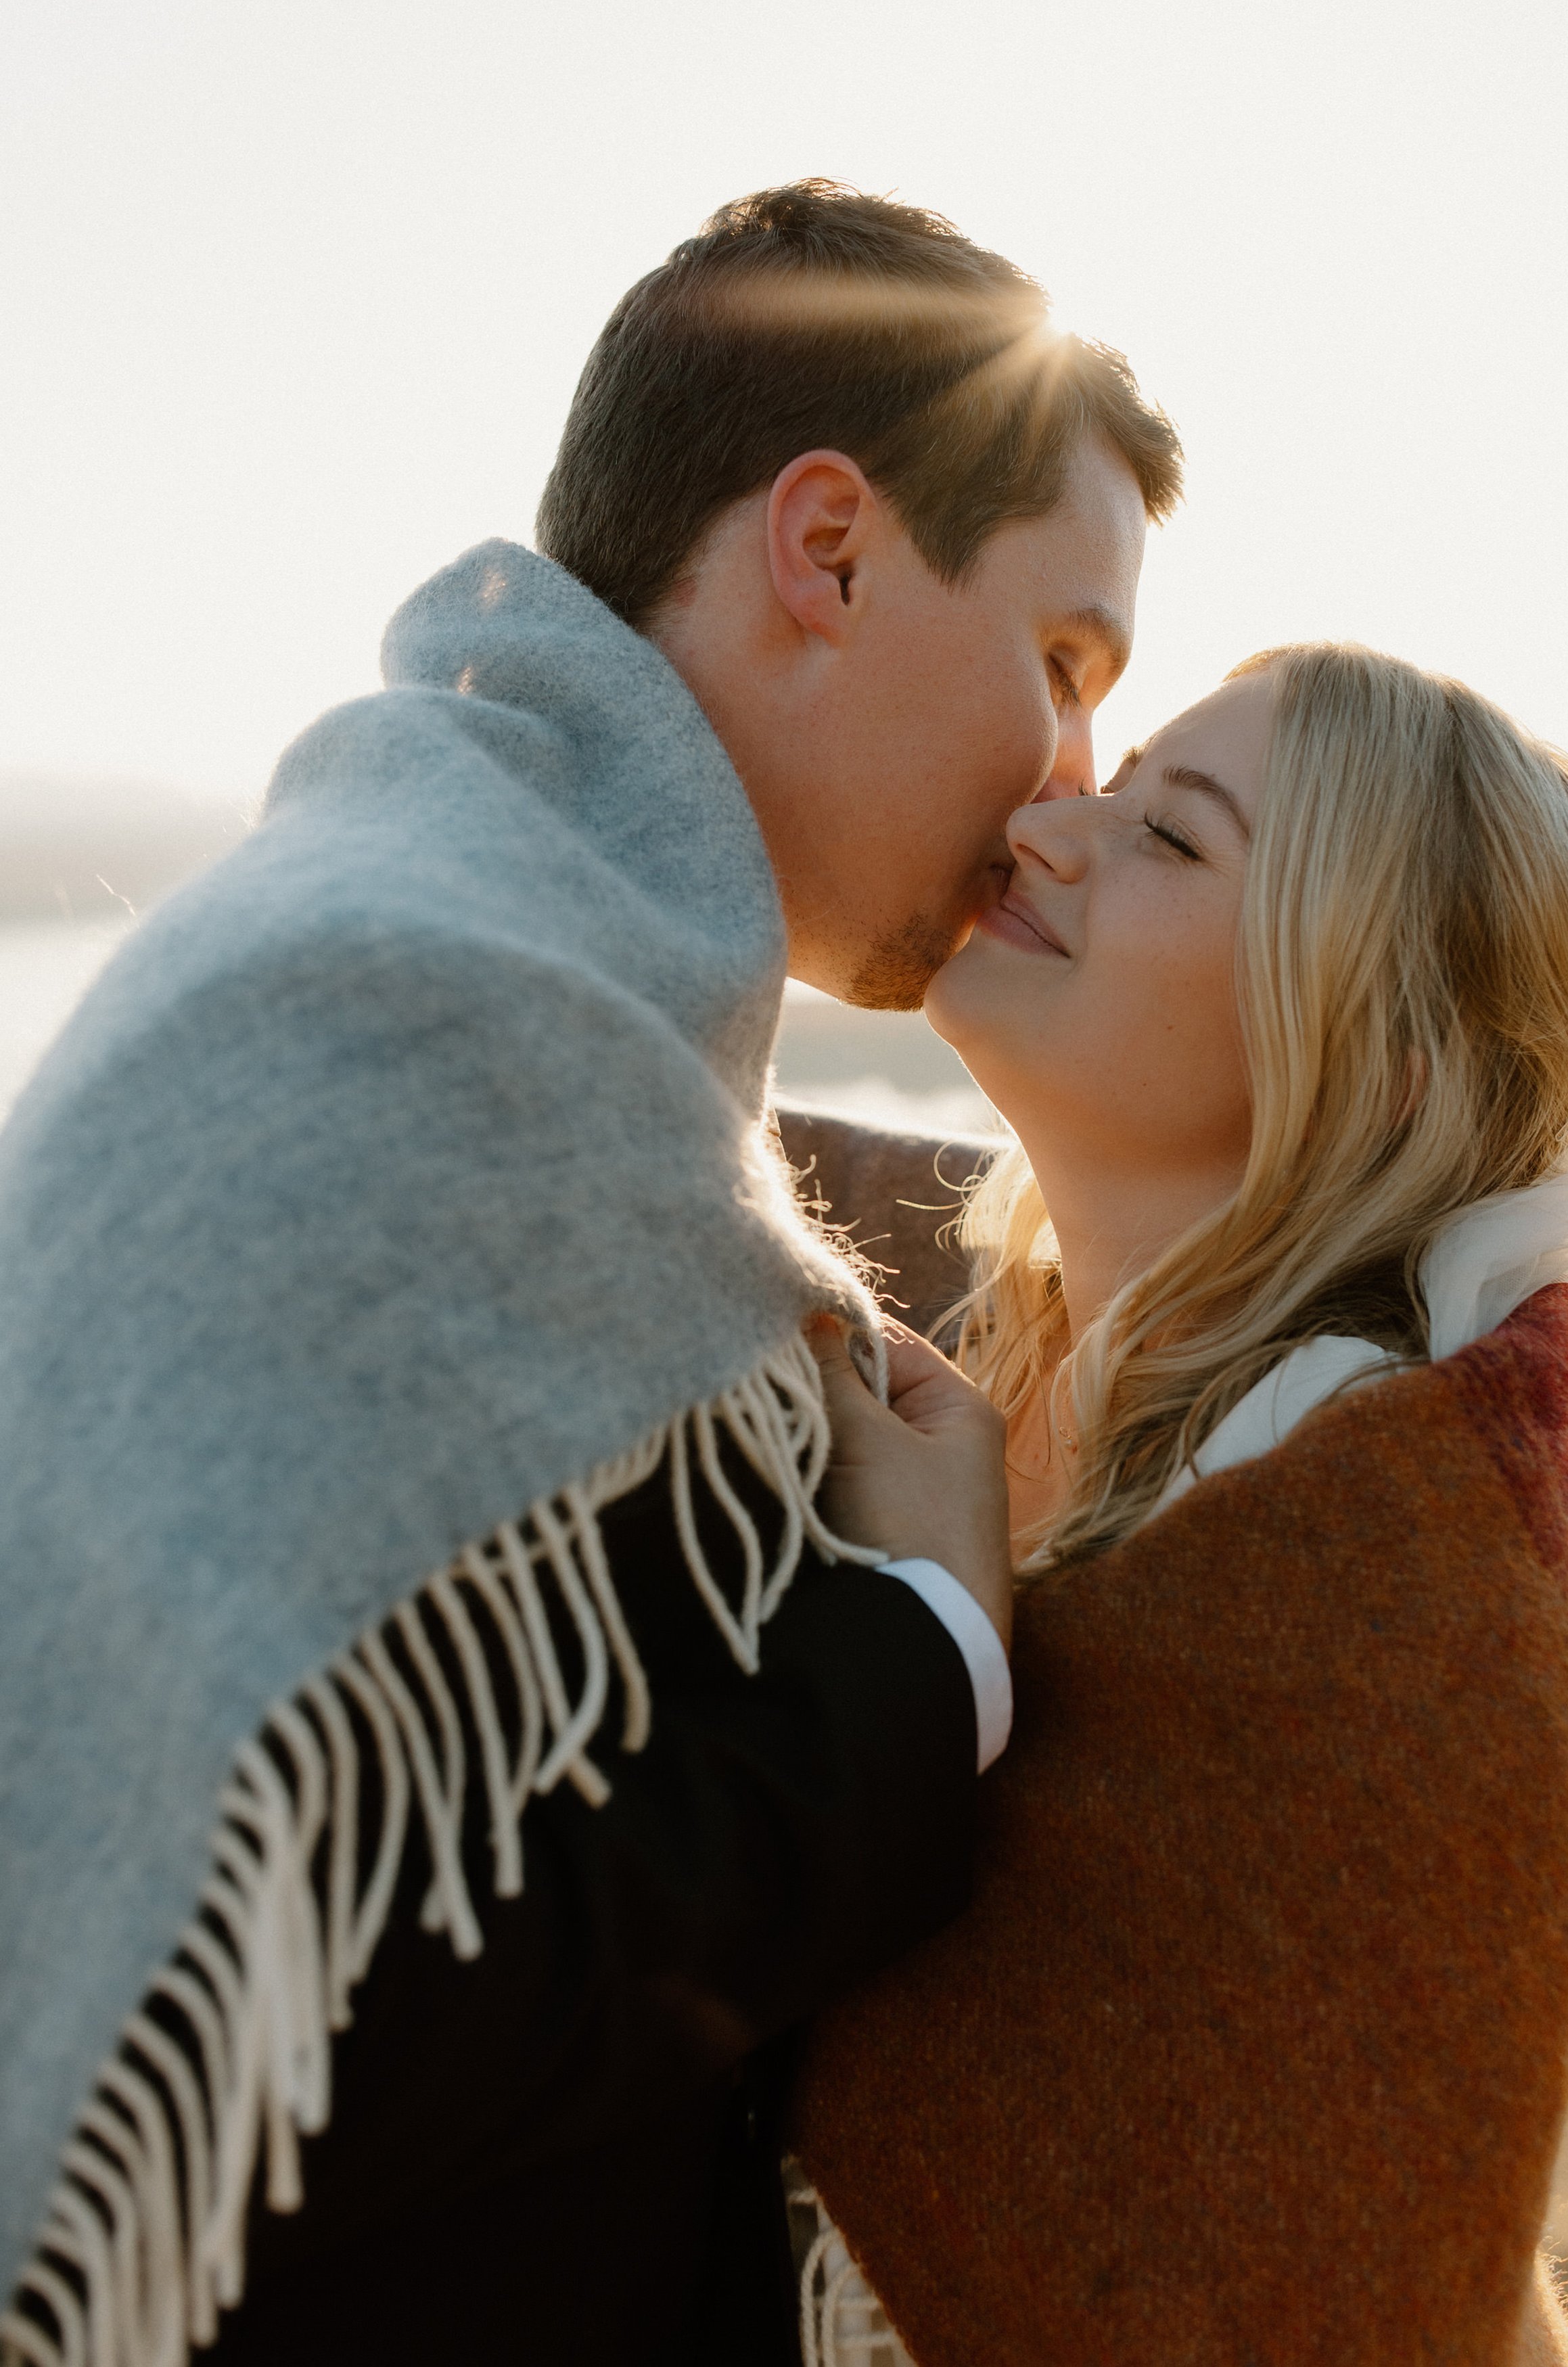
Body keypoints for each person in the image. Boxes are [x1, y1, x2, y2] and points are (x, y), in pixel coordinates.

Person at [0, 185, 1180, 2367]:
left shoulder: (517, 983)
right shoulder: (408, 1008)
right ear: (824, 548)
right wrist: (921, 1652)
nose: (1068, 787)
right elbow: (324, 2027)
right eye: (1063, 660)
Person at [791, 645, 1568, 2365]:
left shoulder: (1390, 1581)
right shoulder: (1030, 1347)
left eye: (1173, 838)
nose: (1052, 828)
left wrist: (911, 1655)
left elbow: (1337, 2266)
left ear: (1385, 1060)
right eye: (1110, 784)